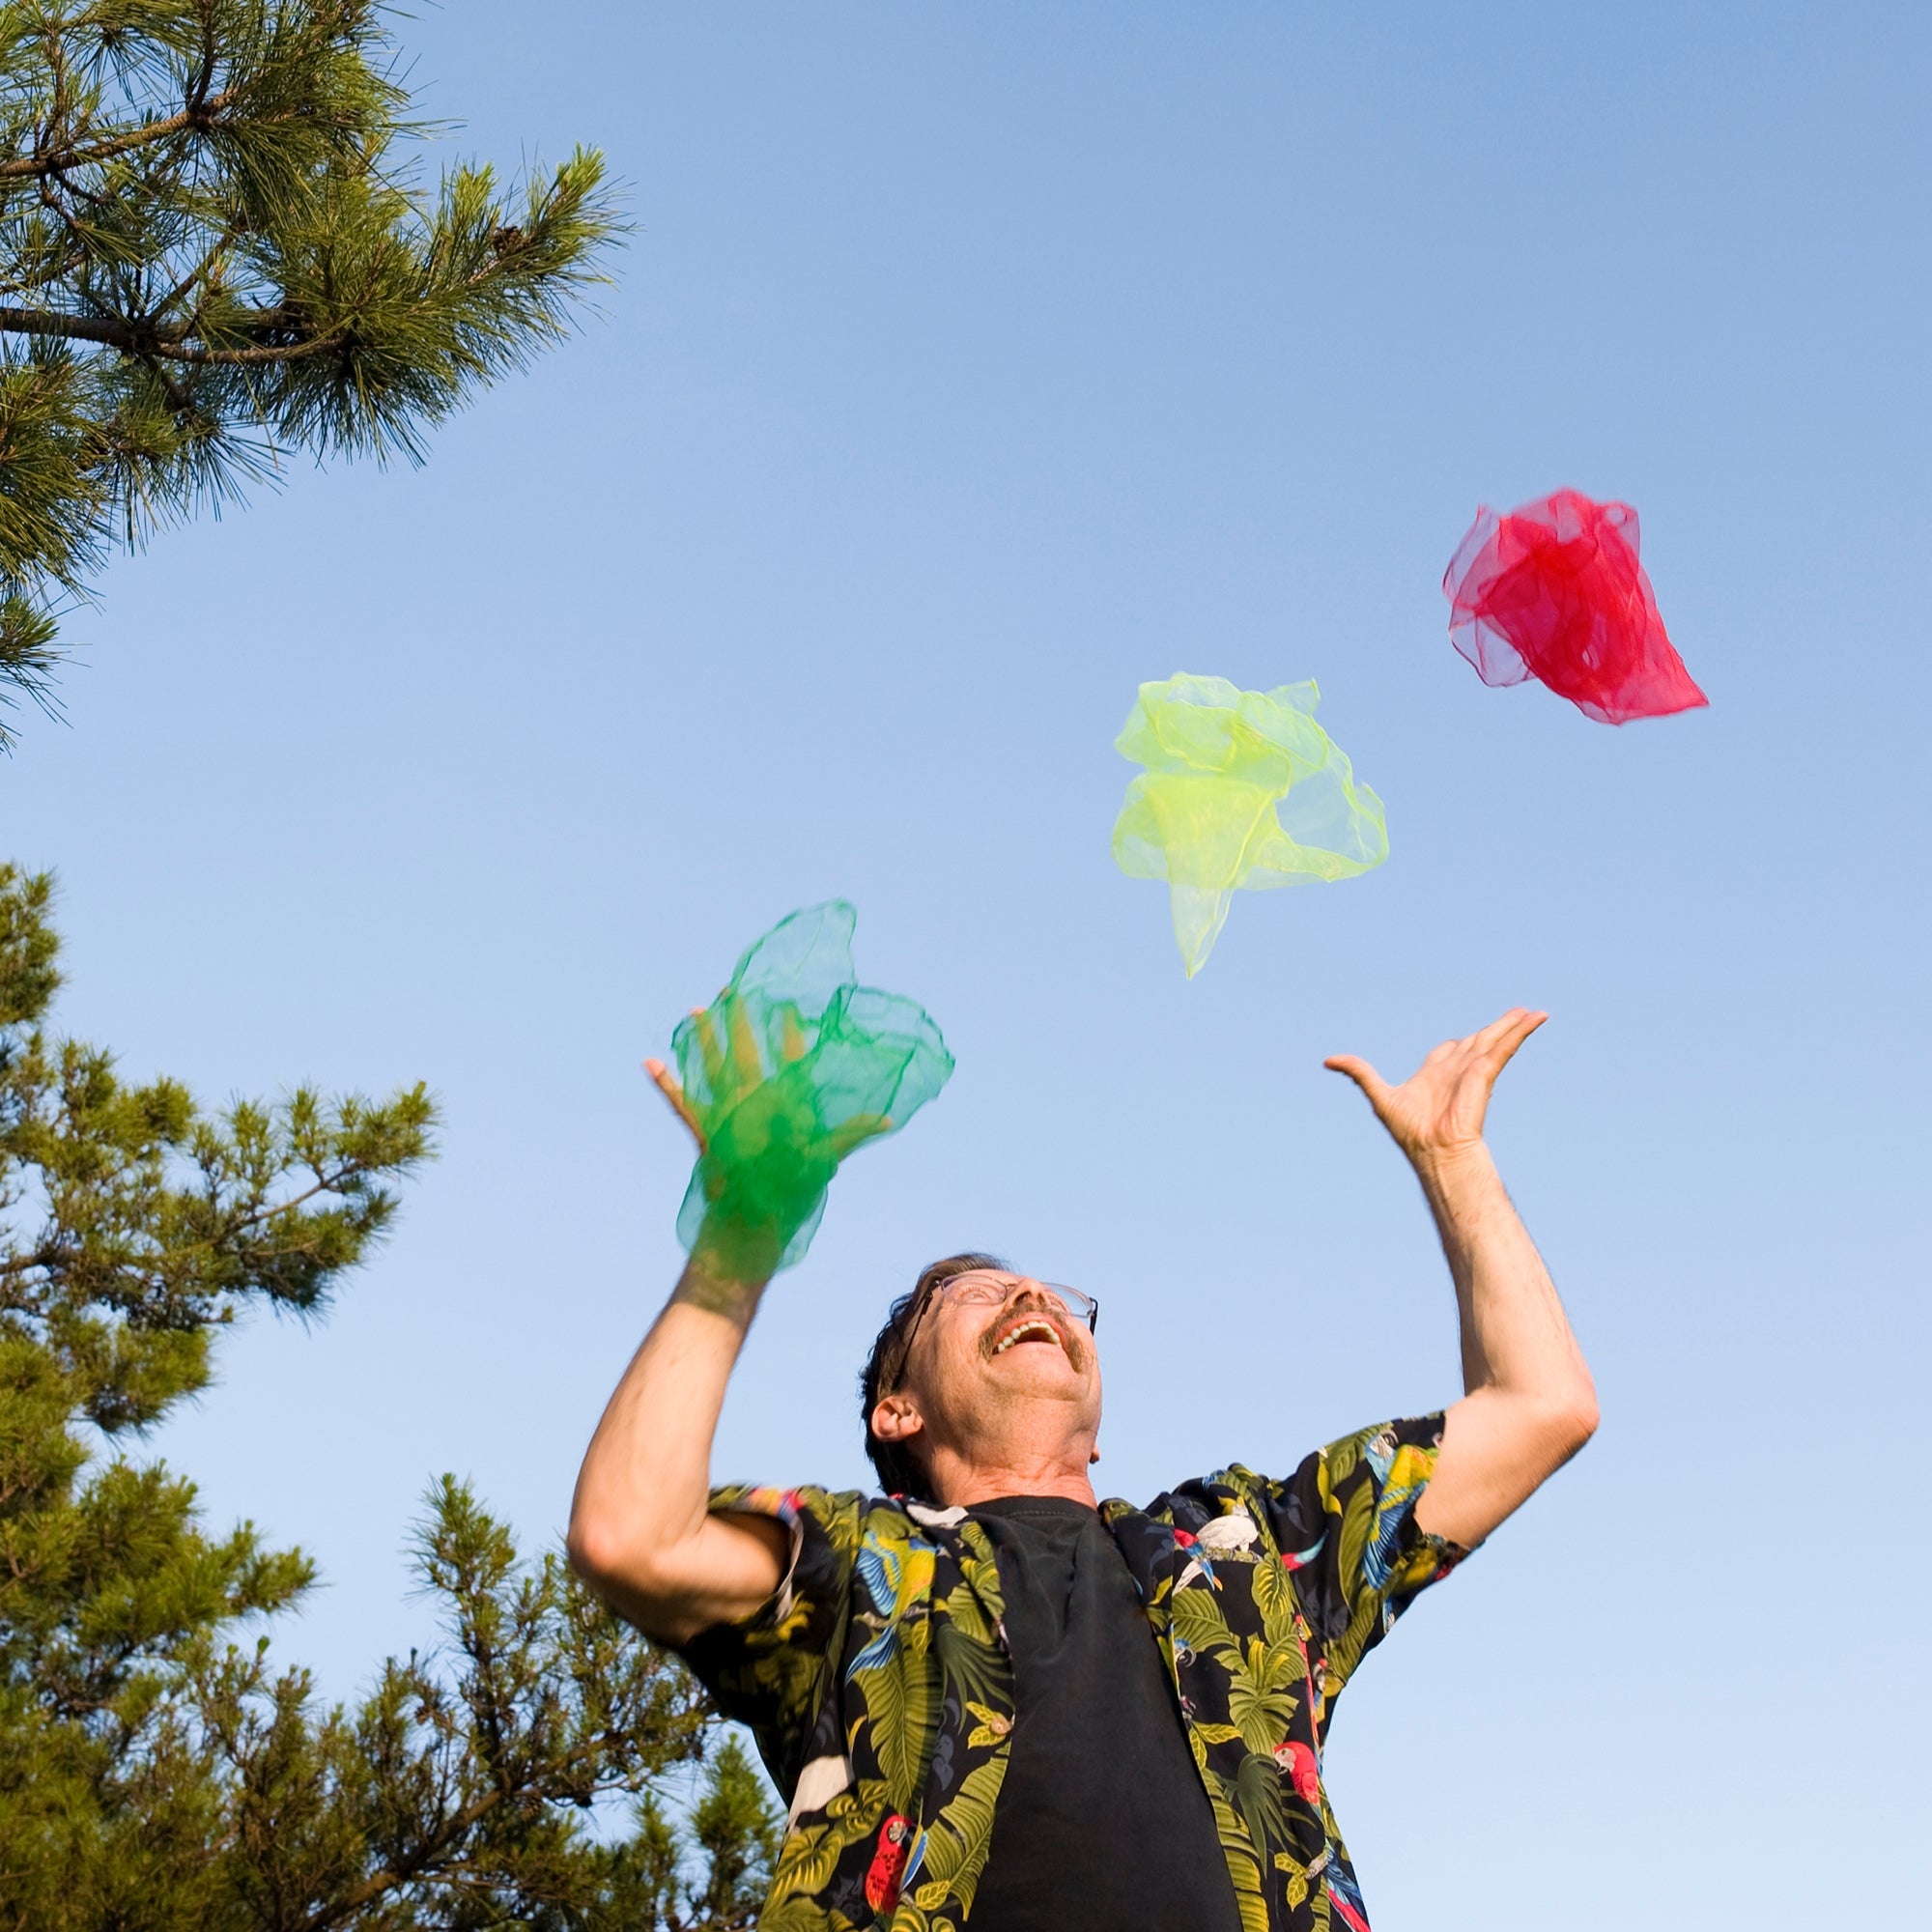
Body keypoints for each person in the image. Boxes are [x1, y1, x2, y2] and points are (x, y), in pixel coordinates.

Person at [568, 1007, 1598, 1932]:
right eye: (972, 1292)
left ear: (1097, 1424)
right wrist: (738, 1243)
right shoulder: (861, 1568)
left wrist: (1453, 1159)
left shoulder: (1243, 1552)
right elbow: (631, 1534)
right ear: (898, 1409)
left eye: (1056, 1295)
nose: (1031, 1294)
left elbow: (1539, 1404)